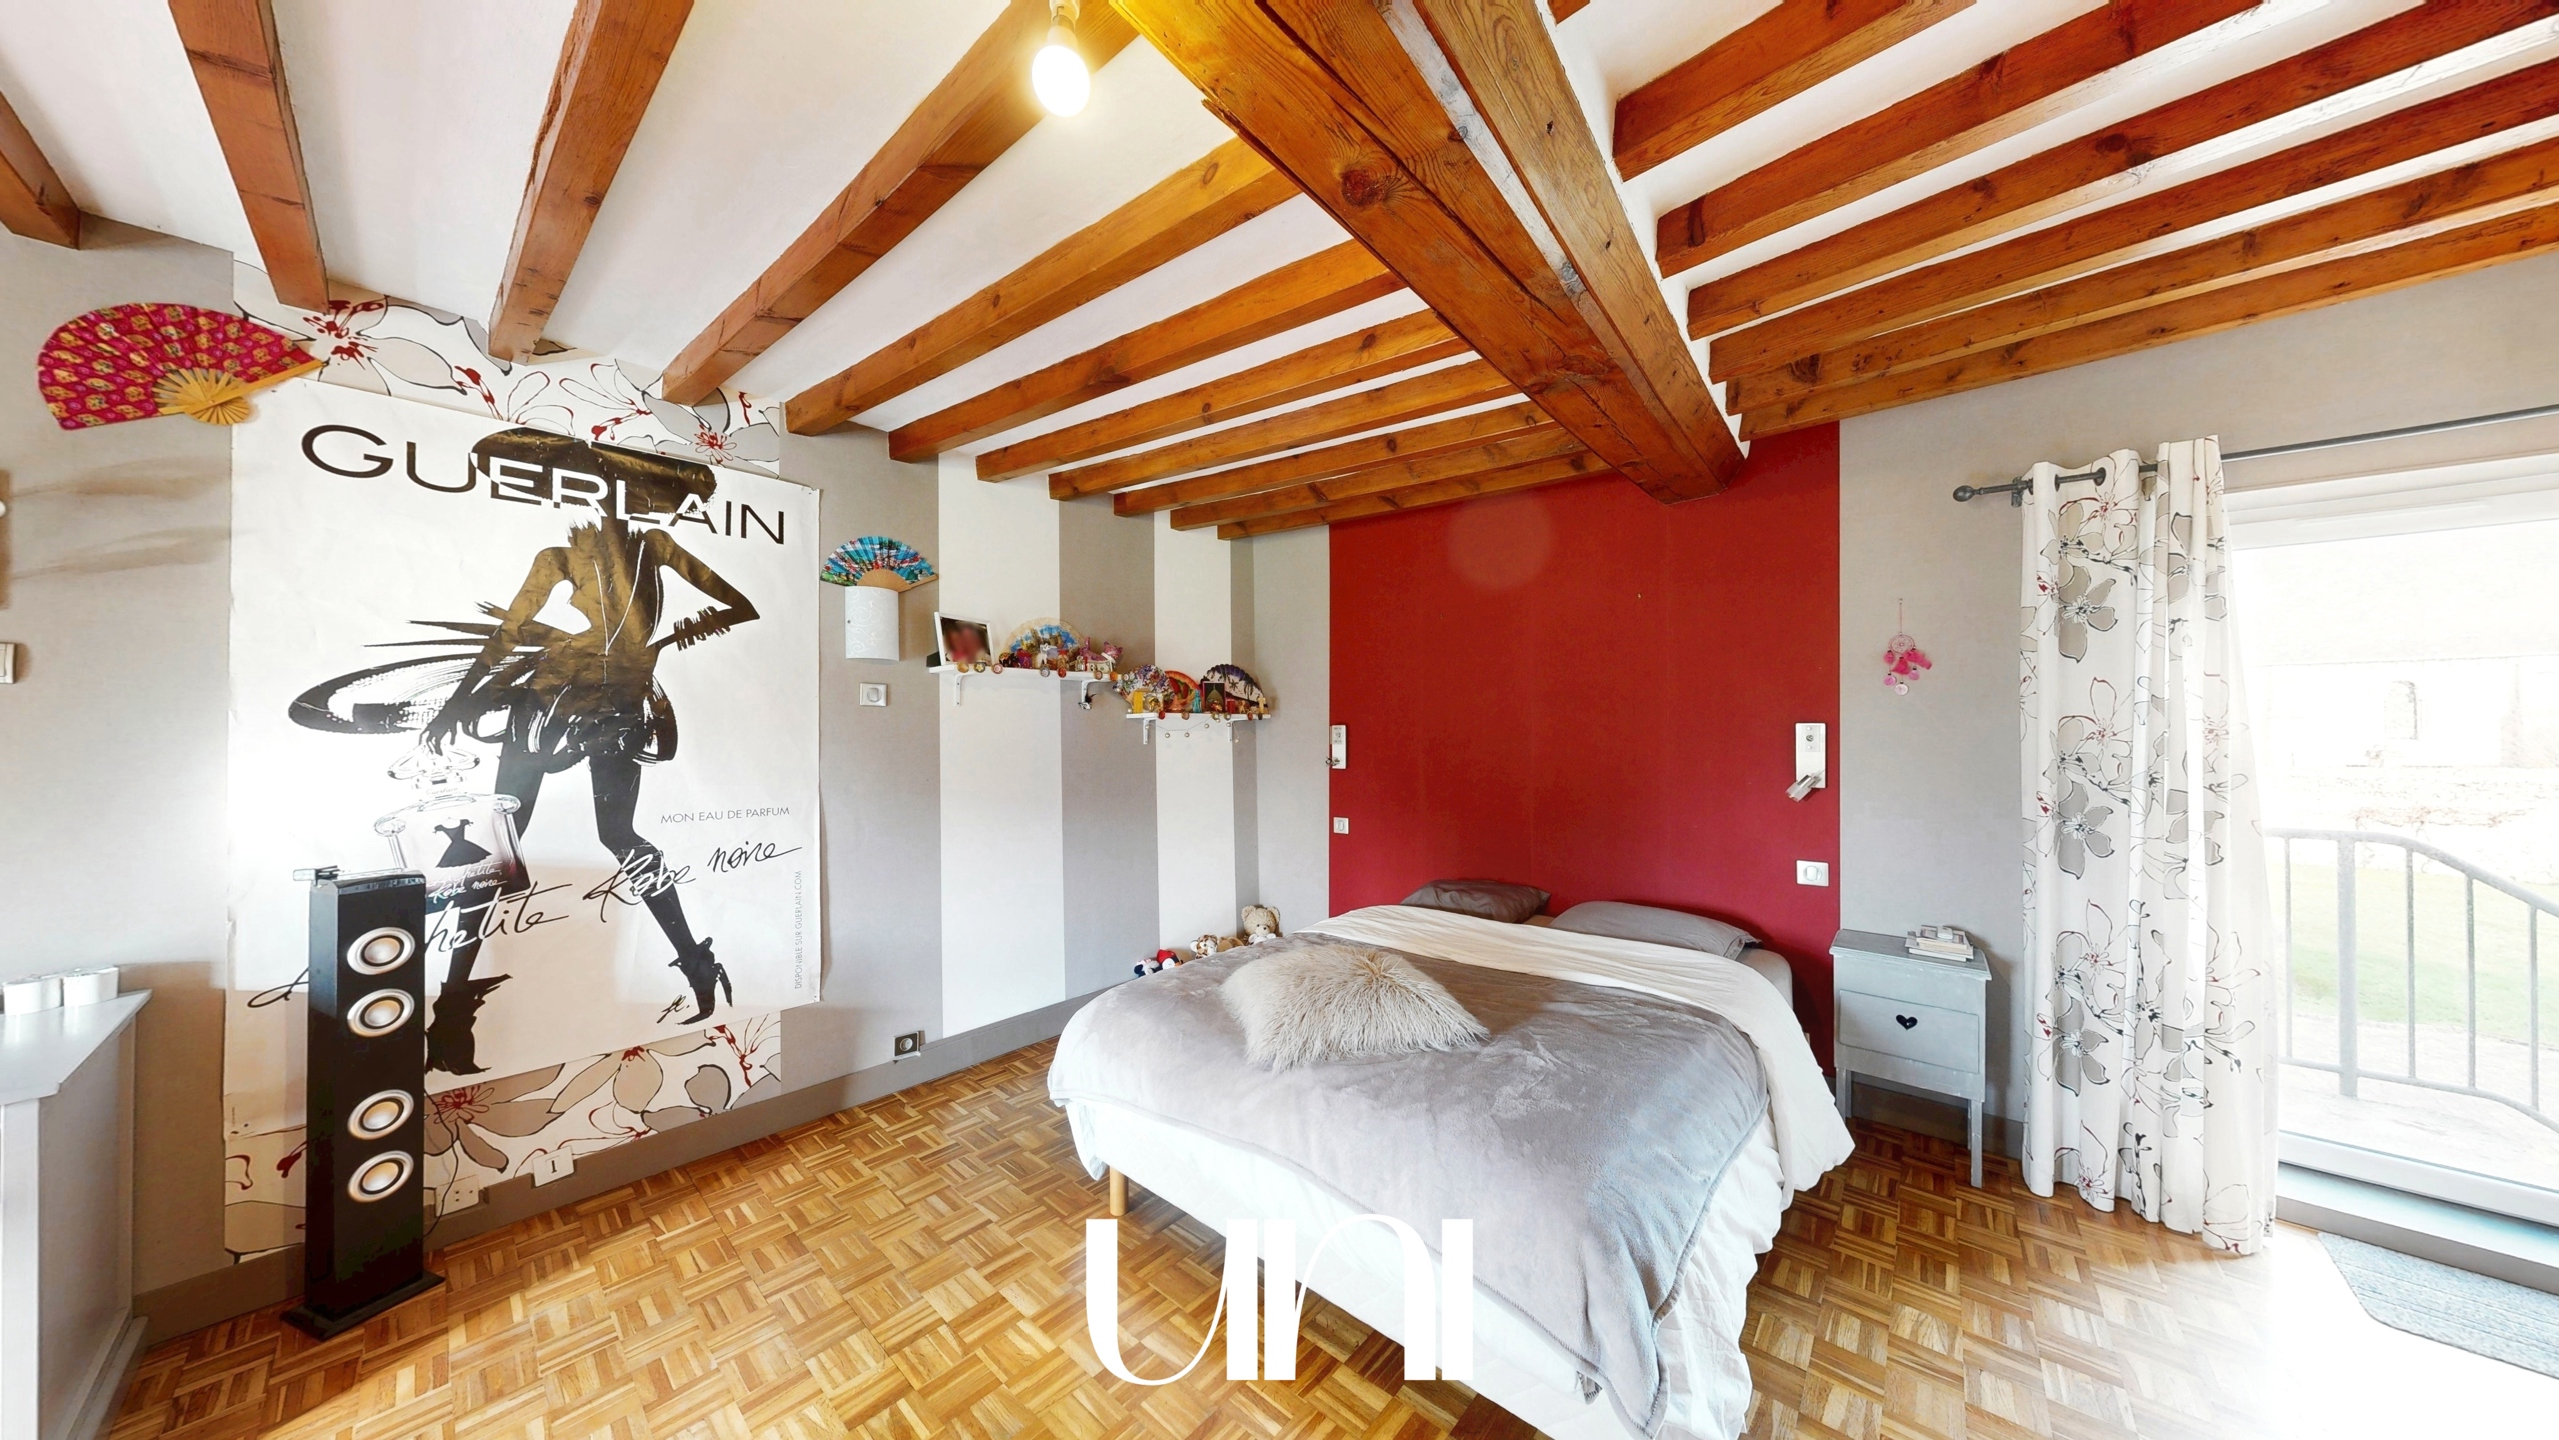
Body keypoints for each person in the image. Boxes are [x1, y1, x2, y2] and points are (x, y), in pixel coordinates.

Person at [356, 429, 756, 1073]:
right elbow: (507, 634)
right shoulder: (560, 556)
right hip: (548, 704)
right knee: (497, 851)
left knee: (611, 835)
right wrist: (458, 704)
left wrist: (661, 646)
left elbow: (739, 605)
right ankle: (451, 1020)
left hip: (612, 706)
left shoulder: (652, 546)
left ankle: (694, 962)